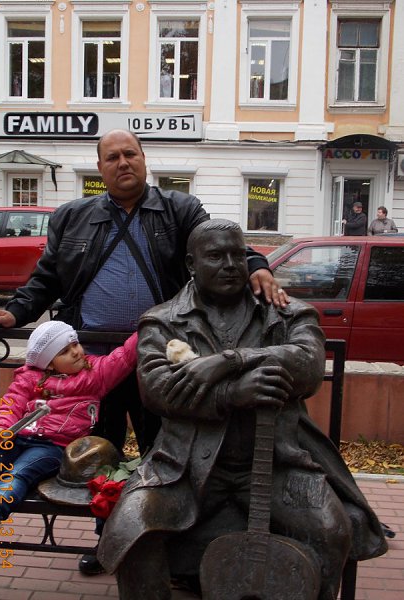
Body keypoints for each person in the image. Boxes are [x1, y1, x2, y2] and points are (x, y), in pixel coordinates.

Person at [0, 128, 288, 573]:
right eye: (112, 157)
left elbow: (217, 243)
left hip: (160, 357)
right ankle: (108, 542)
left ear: (144, 160)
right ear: (100, 168)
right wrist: (14, 312)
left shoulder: (179, 210)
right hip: (91, 363)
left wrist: (257, 266)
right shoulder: (72, 217)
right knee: (97, 455)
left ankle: (166, 547)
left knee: (164, 453)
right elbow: (46, 279)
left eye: (130, 154)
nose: (123, 163)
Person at [98, 219, 387, 600]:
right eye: (216, 256)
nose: (230, 265)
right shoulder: (164, 321)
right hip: (184, 468)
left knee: (330, 530)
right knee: (132, 528)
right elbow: (157, 390)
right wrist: (232, 394)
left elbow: (309, 365)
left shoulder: (285, 312)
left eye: (237, 255)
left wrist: (230, 360)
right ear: (191, 263)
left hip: (277, 463)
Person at [0, 320, 136, 547]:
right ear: (49, 364)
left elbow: (124, 356)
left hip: (53, 447)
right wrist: (0, 427)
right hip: (17, 437)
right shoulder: (30, 377)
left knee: (18, 473)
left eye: (75, 344)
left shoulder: (94, 374)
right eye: (65, 351)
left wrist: (148, 326)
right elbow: (11, 403)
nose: (75, 352)